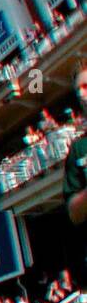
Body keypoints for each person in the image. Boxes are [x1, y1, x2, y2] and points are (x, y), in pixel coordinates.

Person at [66, 60, 87, 226]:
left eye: (85, 87)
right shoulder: (78, 148)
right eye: (78, 90)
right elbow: (74, 213)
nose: (81, 94)